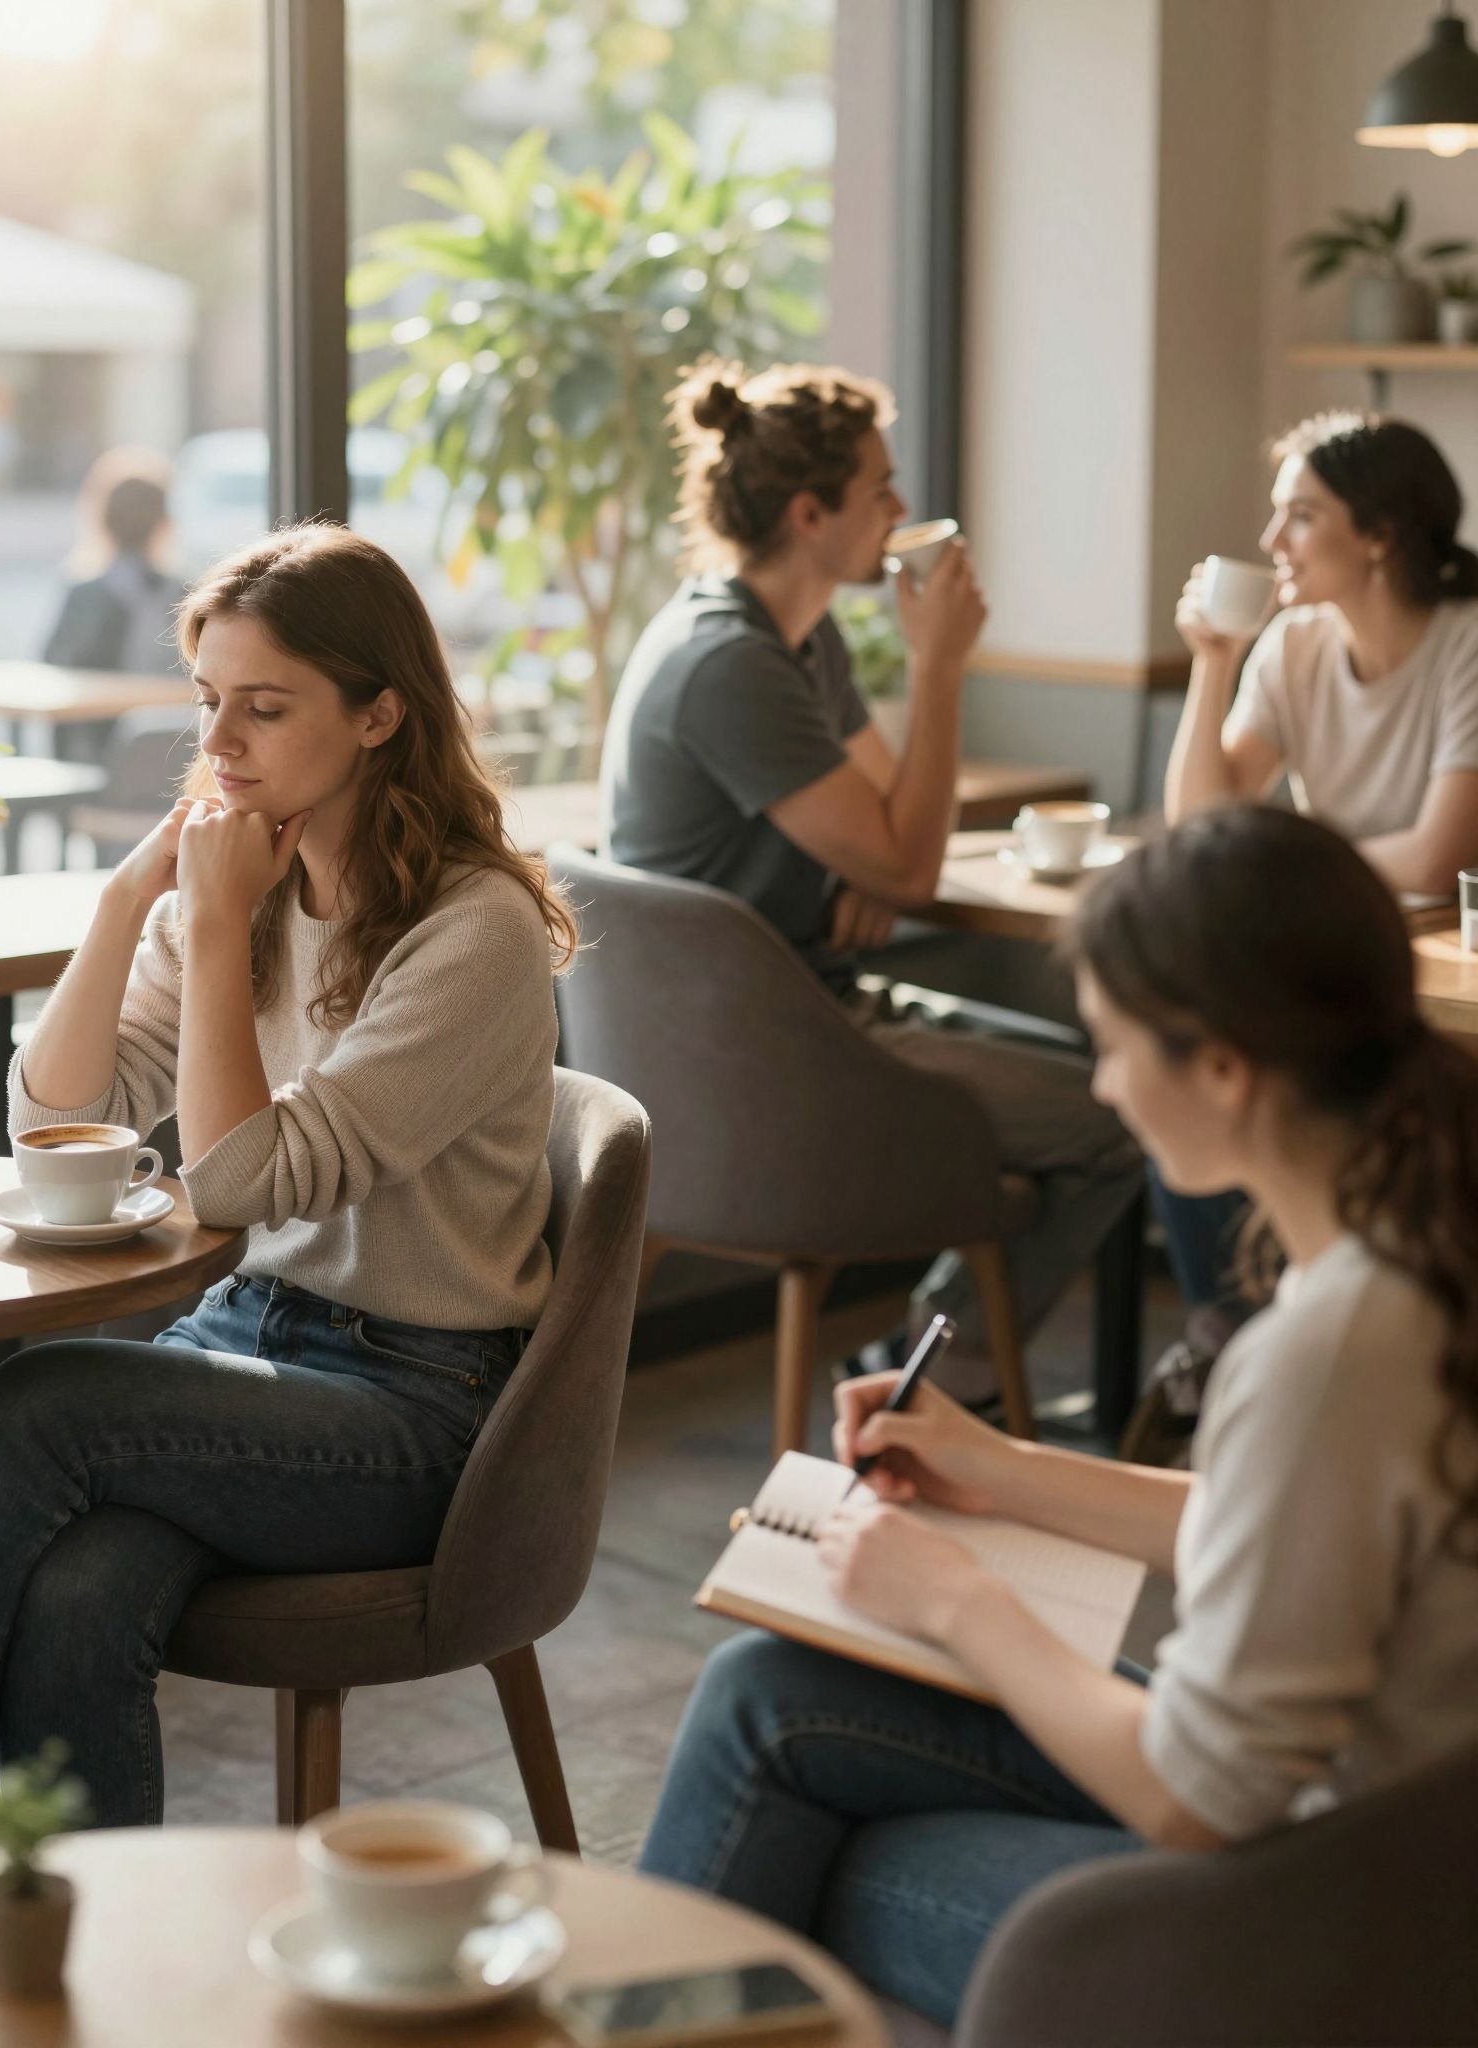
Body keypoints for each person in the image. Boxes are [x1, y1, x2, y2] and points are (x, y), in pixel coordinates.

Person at [639, 805, 1478, 2028]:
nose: (1101, 1084)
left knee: (800, 1822)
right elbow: (1293, 1518)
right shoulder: (1413, 1238)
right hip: (1390, 1843)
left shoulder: (1332, 1342)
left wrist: (954, 1598)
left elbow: (1204, 1794)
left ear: (1226, 1067)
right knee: (766, 1693)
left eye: (1116, 1045)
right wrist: (1002, 1467)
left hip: (1337, 1916)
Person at [0, 523, 572, 1835]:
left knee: (37, 1403)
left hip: (419, 1404)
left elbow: (236, 1184)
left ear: (380, 715)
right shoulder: (243, 884)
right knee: (80, 1592)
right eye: (207, 703)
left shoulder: (476, 931)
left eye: (265, 708)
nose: (218, 743)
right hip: (247, 1346)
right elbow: (55, 1111)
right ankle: (81, 1971)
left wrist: (217, 922)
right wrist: (129, 903)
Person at [600, 358, 1140, 1398]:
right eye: (881, 487)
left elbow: (895, 836)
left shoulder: (797, 643)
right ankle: (940, 1371)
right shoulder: (731, 663)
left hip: (807, 1013)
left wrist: (878, 865)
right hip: (766, 1069)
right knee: (1119, 1113)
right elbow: (908, 850)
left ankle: (930, 1364)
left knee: (1086, 1065)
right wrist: (939, 668)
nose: (901, 509)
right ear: (811, 512)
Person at [1156, 411, 1478, 1383]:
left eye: (1300, 516)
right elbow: (1203, 826)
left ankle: (1330, 1349)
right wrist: (1213, 659)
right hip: (1351, 954)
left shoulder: (1466, 643)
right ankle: (1237, 1333)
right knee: (1196, 1041)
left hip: (1450, 975)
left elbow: (1435, 857)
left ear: (1378, 534)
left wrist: (1292, 858)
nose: (1270, 542)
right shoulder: (1292, 644)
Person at [44, 448, 187, 677]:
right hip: (172, 711)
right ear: (164, 520)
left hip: (101, 711)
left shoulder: (86, 595)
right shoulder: (184, 595)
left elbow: (53, 667)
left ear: (102, 520)